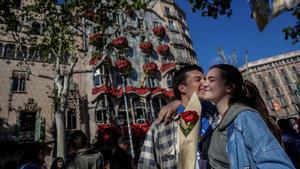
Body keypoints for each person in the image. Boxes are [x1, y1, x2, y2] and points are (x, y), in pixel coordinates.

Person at [201, 64, 294, 169]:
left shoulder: (245, 117)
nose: (204, 84)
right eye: (205, 79)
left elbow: (275, 163)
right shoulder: (216, 123)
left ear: (229, 87)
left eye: (211, 80)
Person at [138, 64, 218, 169]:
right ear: (182, 88)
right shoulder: (161, 126)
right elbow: (147, 165)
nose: (205, 82)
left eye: (205, 79)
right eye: (198, 79)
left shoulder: (217, 116)